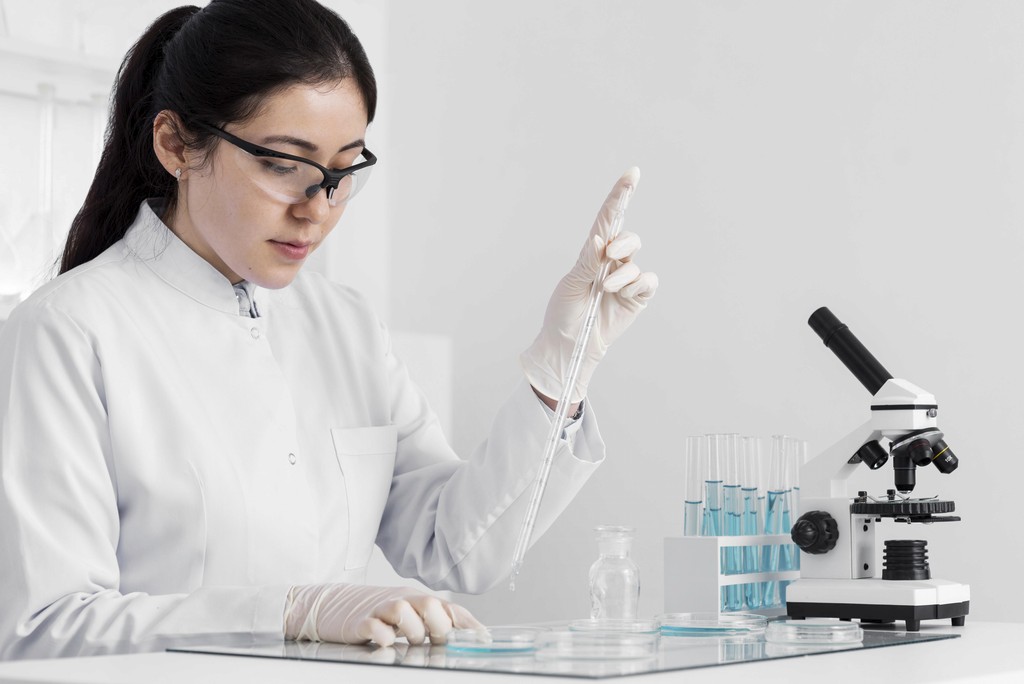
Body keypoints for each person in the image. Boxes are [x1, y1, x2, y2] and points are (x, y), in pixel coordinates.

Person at [0, 0, 658, 660]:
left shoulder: (344, 325)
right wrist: (287, 612)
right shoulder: (69, 332)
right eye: (284, 164)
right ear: (175, 144)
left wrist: (561, 367)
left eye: (343, 172)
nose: (317, 208)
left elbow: (460, 548)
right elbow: (45, 629)